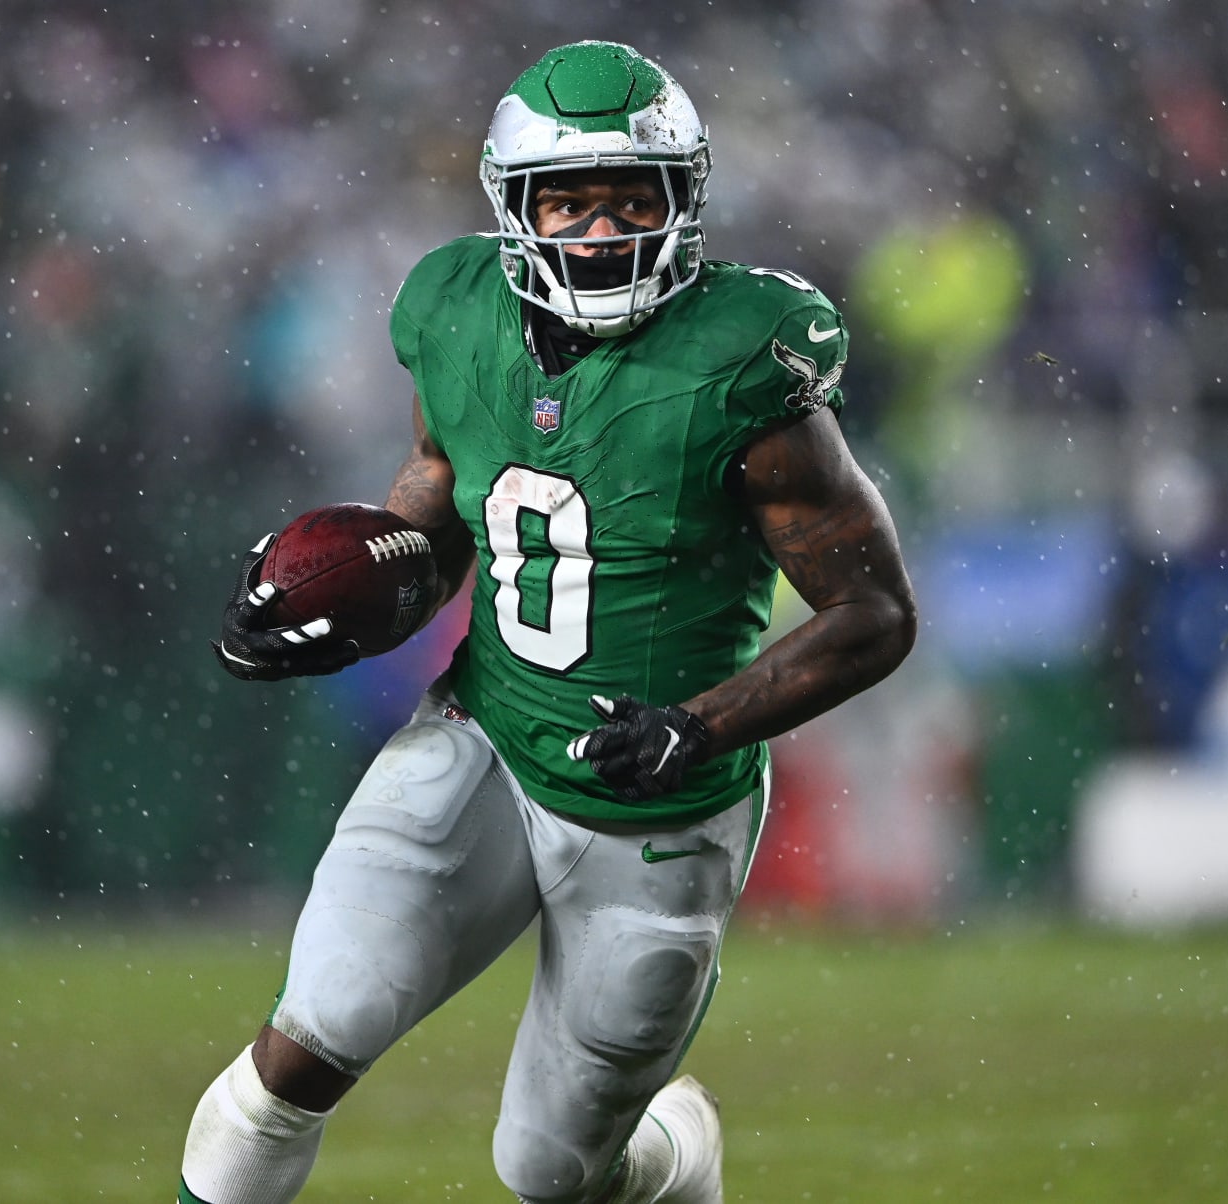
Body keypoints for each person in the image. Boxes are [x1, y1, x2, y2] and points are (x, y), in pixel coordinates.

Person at [180, 40, 916, 1204]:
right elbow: (434, 518)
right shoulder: (454, 312)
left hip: (659, 808)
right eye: (569, 201)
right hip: (483, 736)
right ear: (515, 208)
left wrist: (700, 725)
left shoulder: (745, 369)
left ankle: (681, 1156)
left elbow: (873, 613)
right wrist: (339, 603)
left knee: (551, 1172)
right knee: (305, 1042)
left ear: (685, 204)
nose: (601, 231)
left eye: (632, 200)